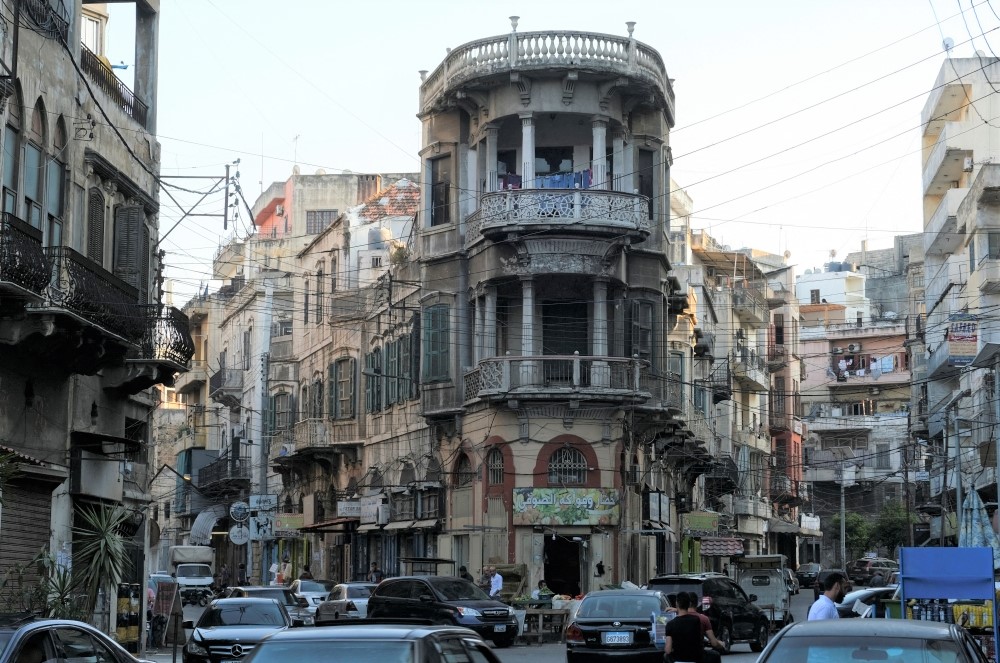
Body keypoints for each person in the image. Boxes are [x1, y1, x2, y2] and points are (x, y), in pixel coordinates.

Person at [665, 592, 706, 663]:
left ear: (676, 603)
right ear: (689, 604)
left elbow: (668, 650)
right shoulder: (696, 620)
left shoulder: (670, 624)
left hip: (678, 660)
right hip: (694, 660)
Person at [685, 592, 725, 663]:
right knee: (716, 655)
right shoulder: (703, 619)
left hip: (679, 655)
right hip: (698, 655)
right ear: (697, 603)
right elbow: (714, 643)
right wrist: (721, 644)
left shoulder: (675, 619)